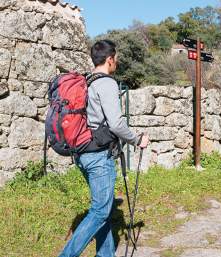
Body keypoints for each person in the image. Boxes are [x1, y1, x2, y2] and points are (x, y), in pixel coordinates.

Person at [59, 40, 149, 257]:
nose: (116, 62)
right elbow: (117, 123)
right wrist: (137, 140)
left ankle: (105, 254)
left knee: (104, 209)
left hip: (82, 151)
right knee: (100, 211)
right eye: (115, 58)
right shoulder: (107, 83)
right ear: (110, 59)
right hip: (99, 155)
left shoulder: (86, 81)